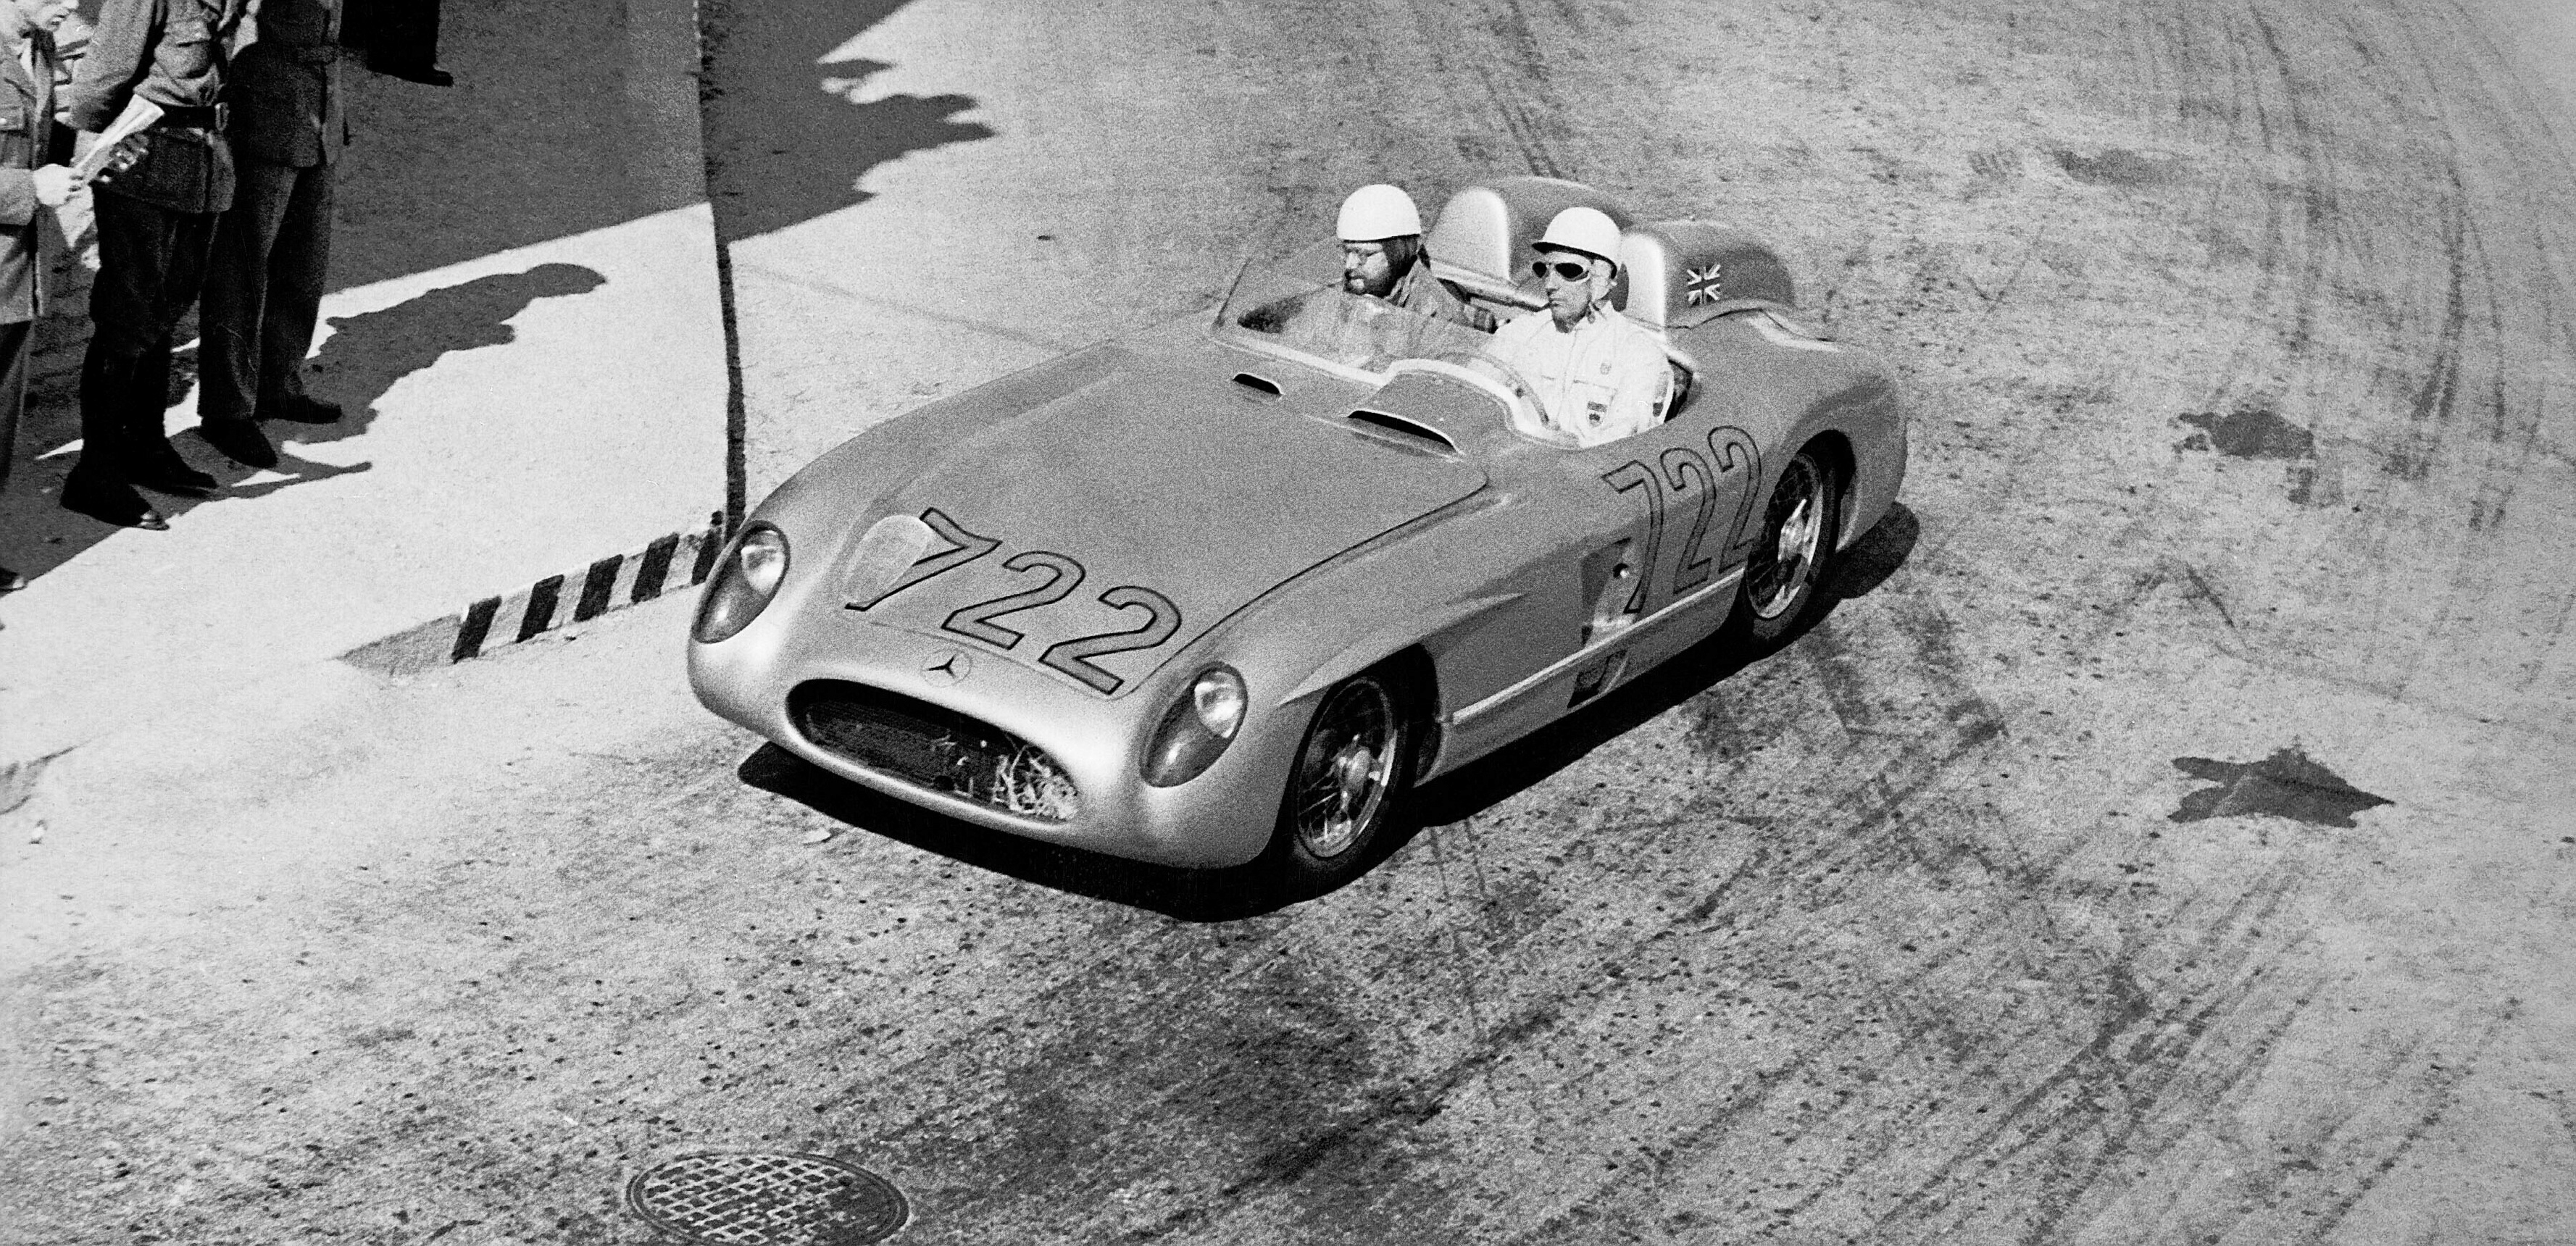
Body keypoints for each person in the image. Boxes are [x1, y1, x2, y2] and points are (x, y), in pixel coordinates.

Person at [58, 0, 245, 528]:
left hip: (203, 164)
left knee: (166, 309)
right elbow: (97, 85)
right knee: (127, 314)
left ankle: (145, 443)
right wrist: (103, 152)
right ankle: (95, 472)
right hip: (144, 168)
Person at [195, 0, 349, 461]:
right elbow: (216, 28)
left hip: (321, 111)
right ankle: (227, 410)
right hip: (267, 112)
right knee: (241, 269)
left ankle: (278, 383)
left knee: (304, 264)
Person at [1486, 206, 1668, 448]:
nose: (1550, 285)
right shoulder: (1519, 334)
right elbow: (1466, 403)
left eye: (1567, 270)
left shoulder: (1638, 356)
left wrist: (1565, 444)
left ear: (1601, 278)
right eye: (1544, 269)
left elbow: (1620, 448)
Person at [0, 0, 74, 585]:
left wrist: (91, 156)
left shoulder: (39, 49)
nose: (73, 4)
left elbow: (39, 141)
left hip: (16, 277)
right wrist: (29, 187)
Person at [1335, 183, 1493, 332]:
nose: (1350, 265)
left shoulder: (1436, 316)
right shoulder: (1342, 291)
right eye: (1347, 252)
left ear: (1400, 254)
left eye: (1365, 254)